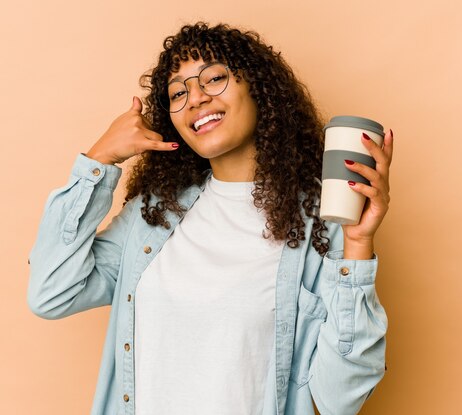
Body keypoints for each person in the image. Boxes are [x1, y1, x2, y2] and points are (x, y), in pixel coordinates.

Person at [28, 22, 392, 415]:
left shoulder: (320, 224)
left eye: (214, 78)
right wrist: (98, 163)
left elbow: (340, 398)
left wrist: (357, 246)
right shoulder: (153, 215)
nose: (195, 98)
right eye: (178, 93)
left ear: (258, 88)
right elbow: (51, 292)